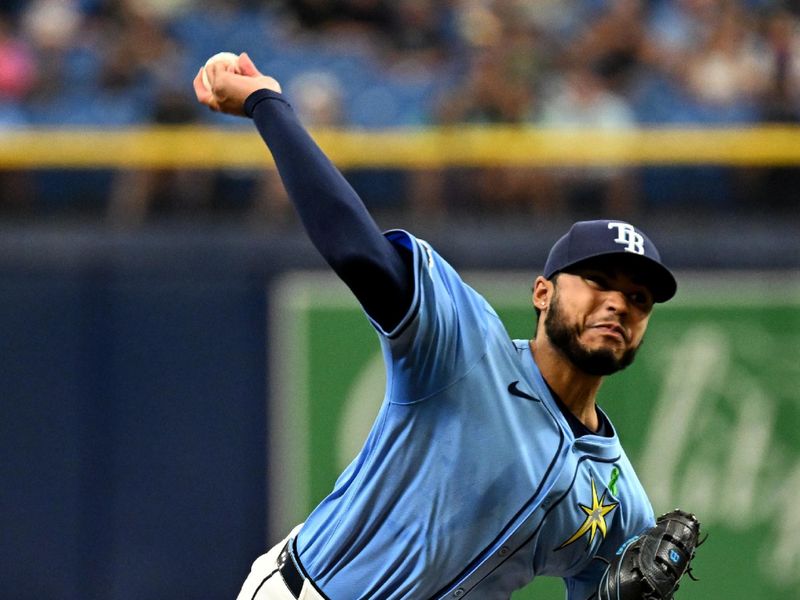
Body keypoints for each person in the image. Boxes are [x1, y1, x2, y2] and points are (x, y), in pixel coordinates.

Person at [194, 54, 679, 600]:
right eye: (597, 281)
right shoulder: (466, 345)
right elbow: (359, 252)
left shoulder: (623, 504)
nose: (617, 303)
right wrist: (268, 105)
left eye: (638, 298)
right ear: (542, 293)